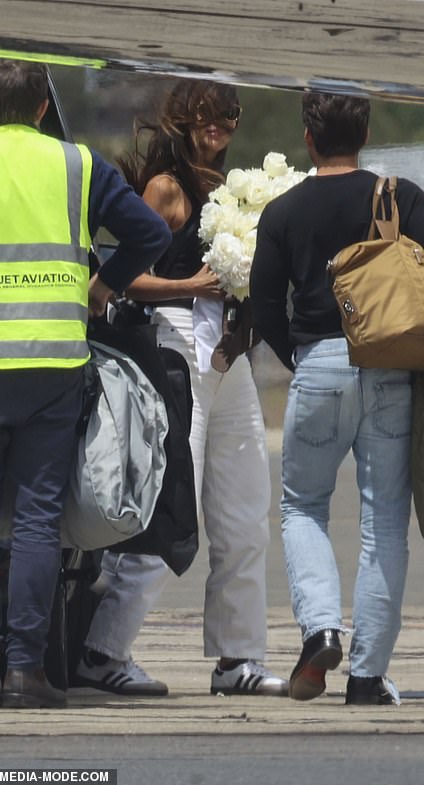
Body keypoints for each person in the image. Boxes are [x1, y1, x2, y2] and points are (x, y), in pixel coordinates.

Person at [0, 57, 171, 709]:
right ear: (44, 108)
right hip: (53, 366)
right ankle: (25, 671)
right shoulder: (77, 166)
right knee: (40, 520)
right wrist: (102, 287)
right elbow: (150, 233)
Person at [249, 91, 424, 705]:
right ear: (364, 134)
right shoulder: (396, 198)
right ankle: (368, 677)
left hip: (318, 366)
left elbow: (266, 303)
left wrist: (303, 359)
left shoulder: (283, 210)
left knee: (301, 507)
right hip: (389, 370)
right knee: (384, 524)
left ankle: (320, 627)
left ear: (308, 138)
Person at [75, 79, 288, 697]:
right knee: (169, 505)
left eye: (227, 115)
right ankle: (101, 649)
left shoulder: (234, 194)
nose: (216, 127)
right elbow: (126, 279)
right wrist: (191, 287)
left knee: (247, 512)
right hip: (172, 351)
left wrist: (245, 318)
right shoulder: (166, 189)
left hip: (228, 357)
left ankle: (238, 658)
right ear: (182, 121)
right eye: (204, 117)